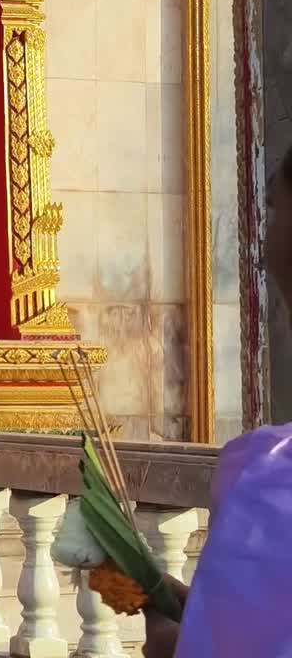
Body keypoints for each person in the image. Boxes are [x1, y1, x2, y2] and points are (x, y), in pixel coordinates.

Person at [140, 149, 292, 658]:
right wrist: (164, 597)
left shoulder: (262, 473)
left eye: (270, 207)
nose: (262, 239)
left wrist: (170, 643)